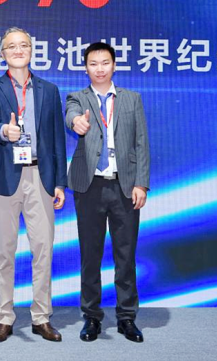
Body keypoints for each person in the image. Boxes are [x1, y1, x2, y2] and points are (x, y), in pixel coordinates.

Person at [0, 27, 68, 343]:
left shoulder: (49, 89)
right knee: (5, 252)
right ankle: (4, 317)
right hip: (5, 177)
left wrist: (60, 182)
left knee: (43, 250)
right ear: (2, 54)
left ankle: (41, 317)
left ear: (31, 50)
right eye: (11, 46)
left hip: (41, 177)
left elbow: (57, 139)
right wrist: (5, 130)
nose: (18, 50)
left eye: (24, 45)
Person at [65, 41, 150, 343]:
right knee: (90, 255)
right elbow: (71, 116)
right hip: (89, 187)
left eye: (104, 63)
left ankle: (127, 317)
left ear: (114, 65)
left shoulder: (132, 99)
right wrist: (76, 122)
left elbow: (141, 143)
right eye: (93, 63)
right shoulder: (77, 98)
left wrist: (141, 183)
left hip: (124, 186)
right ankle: (91, 317)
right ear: (85, 68)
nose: (99, 69)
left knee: (125, 255)